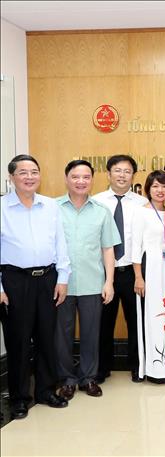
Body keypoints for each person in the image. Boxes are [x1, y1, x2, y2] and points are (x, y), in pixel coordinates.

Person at [1, 155, 71, 419]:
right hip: (14, 281)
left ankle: (45, 391)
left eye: (34, 172)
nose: (29, 177)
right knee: (18, 341)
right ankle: (19, 398)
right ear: (12, 178)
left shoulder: (50, 206)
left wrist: (63, 278)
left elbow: (60, 243)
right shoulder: (2, 207)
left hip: (48, 279)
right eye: (23, 172)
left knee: (46, 338)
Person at [55, 160, 119, 401]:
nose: (80, 181)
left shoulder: (101, 211)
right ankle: (67, 379)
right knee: (62, 334)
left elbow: (108, 249)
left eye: (85, 177)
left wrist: (109, 282)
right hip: (61, 284)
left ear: (92, 180)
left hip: (93, 283)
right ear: (66, 179)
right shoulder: (53, 209)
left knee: (92, 333)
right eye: (75, 177)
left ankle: (88, 377)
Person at [93, 154, 148, 383]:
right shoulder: (96, 202)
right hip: (104, 273)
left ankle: (137, 366)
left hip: (132, 272)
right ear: (108, 174)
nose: (122, 175)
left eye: (127, 171)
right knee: (103, 322)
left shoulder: (142, 203)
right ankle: (102, 368)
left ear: (133, 175)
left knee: (136, 321)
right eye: (117, 170)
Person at [131, 171, 165, 384]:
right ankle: (152, 368)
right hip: (150, 268)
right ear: (148, 189)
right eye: (155, 186)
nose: (160, 190)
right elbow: (135, 247)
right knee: (152, 316)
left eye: (164, 186)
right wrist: (138, 277)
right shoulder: (141, 212)